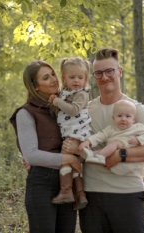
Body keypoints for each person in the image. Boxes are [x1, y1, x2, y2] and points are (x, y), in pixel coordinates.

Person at [63, 48, 144, 233]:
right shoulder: (86, 109)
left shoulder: (135, 109)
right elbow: (66, 135)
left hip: (126, 193)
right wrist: (34, 157)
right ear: (94, 76)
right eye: (99, 73)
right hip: (91, 194)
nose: (105, 77)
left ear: (120, 71)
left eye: (110, 71)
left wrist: (122, 155)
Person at [9, 60, 81, 233]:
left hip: (68, 184)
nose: (54, 80)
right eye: (46, 78)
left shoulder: (64, 108)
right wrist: (69, 159)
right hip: (42, 184)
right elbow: (32, 155)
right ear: (35, 86)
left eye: (53, 74)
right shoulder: (26, 113)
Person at [48, 57, 91, 210]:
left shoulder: (82, 94)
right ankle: (80, 194)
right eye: (72, 77)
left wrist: (57, 102)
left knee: (65, 161)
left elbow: (73, 110)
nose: (76, 81)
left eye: (80, 77)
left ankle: (66, 191)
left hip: (77, 132)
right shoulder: (65, 93)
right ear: (64, 79)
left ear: (85, 79)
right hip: (70, 132)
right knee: (73, 165)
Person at [78, 100, 144, 180]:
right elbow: (100, 135)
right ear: (113, 118)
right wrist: (88, 141)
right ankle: (91, 155)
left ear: (134, 119)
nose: (123, 119)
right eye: (119, 116)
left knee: (115, 143)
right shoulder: (111, 129)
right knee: (104, 149)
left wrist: (138, 140)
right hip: (112, 158)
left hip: (127, 148)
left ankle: (100, 157)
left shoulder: (137, 127)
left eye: (127, 116)